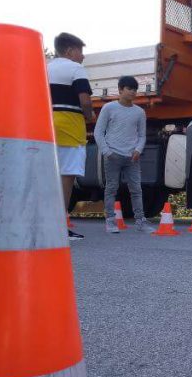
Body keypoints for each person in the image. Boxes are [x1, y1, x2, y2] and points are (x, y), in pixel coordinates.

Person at [93, 76, 155, 234]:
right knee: (111, 188)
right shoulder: (109, 108)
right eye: (129, 89)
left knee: (136, 189)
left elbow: (142, 135)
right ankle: (110, 221)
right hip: (113, 155)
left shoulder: (139, 112)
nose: (133, 92)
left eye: (135, 89)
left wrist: (138, 150)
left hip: (132, 157)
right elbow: (98, 132)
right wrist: (107, 152)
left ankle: (140, 221)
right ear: (120, 90)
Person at [48, 32, 95, 240]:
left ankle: (42, 225)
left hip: (46, 128)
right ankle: (59, 227)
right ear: (69, 51)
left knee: (47, 176)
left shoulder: (44, 68)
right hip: (69, 127)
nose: (82, 57)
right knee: (66, 177)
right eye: (80, 51)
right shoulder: (76, 69)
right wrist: (89, 115)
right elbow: (84, 100)